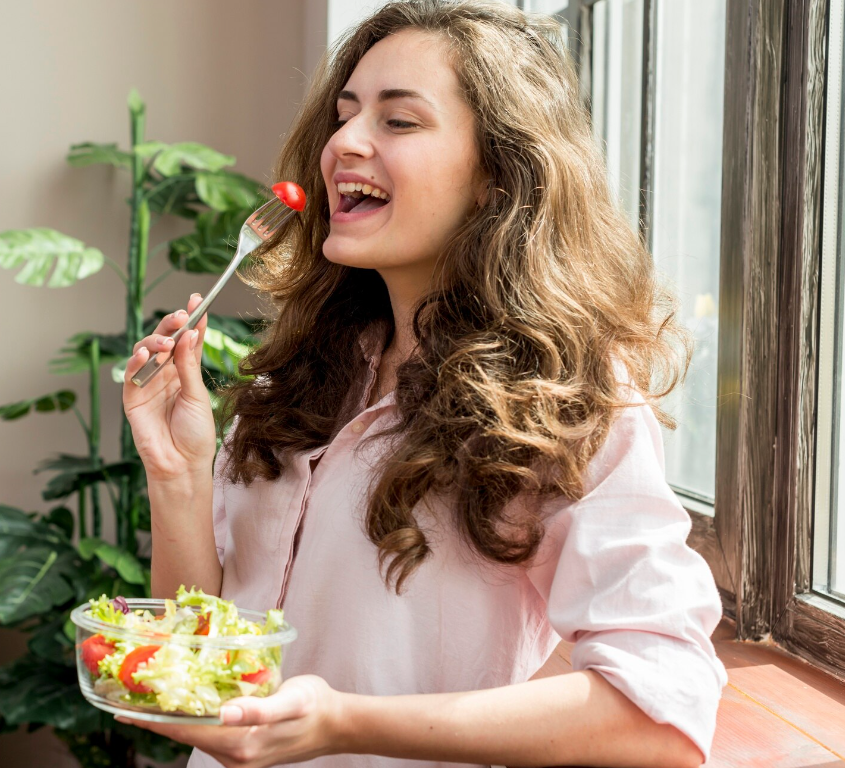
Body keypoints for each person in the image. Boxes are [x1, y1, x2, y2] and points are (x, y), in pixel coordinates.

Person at [120, 1, 726, 766]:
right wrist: (175, 474)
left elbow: (660, 717)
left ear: (496, 177)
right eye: (343, 116)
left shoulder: (562, 395)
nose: (343, 142)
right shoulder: (307, 370)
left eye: (398, 121)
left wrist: (345, 722)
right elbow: (205, 670)